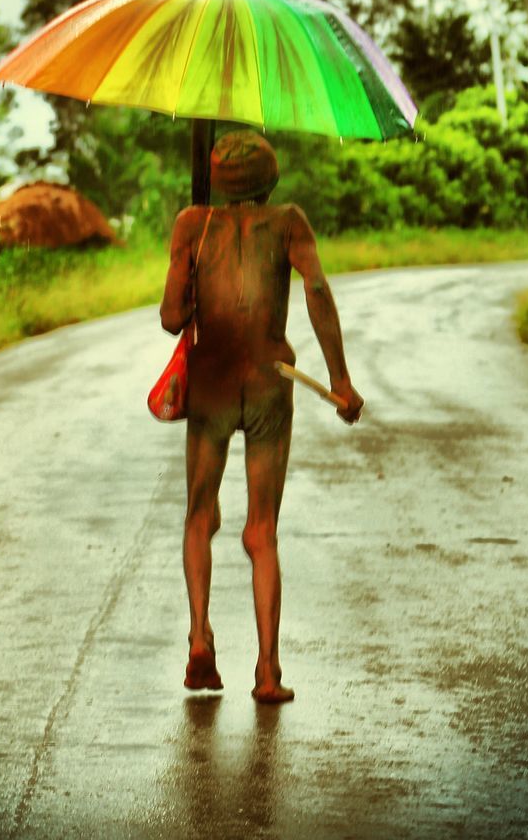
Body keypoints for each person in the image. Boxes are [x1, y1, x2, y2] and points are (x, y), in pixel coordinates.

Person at [159, 130, 364, 704]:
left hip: (213, 384)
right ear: (271, 180)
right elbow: (318, 289)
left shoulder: (191, 225)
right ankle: (268, 673)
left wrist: (195, 279)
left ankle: (200, 639)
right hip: (271, 383)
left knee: (200, 515)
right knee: (262, 530)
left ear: (219, 180)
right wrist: (340, 380)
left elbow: (172, 318)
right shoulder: (290, 221)